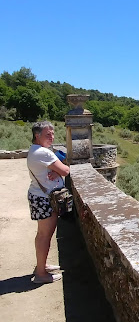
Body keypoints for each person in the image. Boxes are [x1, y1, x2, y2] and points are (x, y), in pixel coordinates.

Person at [27, 121, 70, 284]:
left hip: (38, 196)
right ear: (37, 135)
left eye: (52, 133)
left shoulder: (34, 150)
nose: (51, 136)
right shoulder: (44, 153)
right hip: (44, 199)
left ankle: (42, 265)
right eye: (47, 134)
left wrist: (54, 169)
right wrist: (59, 169)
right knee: (45, 235)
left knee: (42, 235)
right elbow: (66, 171)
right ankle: (41, 274)